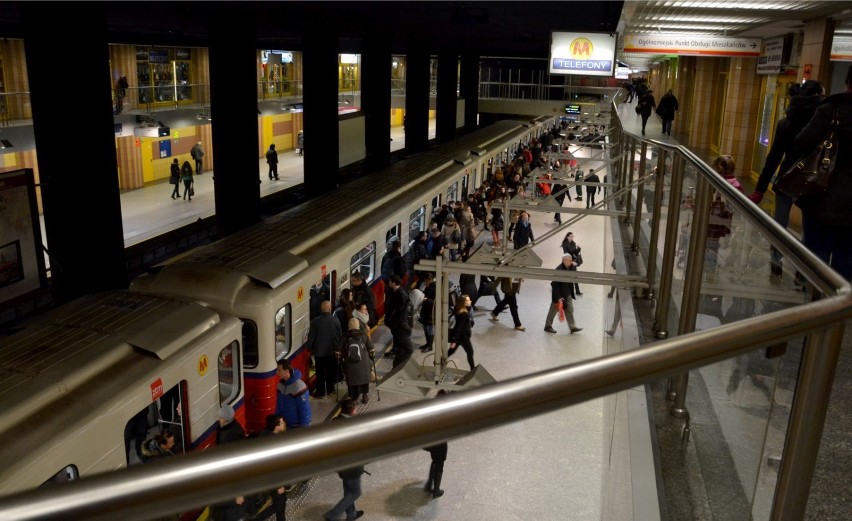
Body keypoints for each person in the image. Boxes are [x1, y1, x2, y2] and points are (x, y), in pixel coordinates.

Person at [749, 80, 825, 281]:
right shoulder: (822, 123)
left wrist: (760, 188)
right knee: (809, 228)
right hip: (812, 181)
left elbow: (773, 157)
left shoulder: (786, 124)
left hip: (787, 180)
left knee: (780, 223)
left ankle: (776, 262)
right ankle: (803, 271)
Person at [794, 63, 852, 281]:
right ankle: (837, 307)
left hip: (822, 196)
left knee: (816, 258)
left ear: (847, 81)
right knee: (846, 262)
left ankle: (815, 303)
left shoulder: (831, 109)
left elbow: (801, 142)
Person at [325, 399, 366, 521]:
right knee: (356, 492)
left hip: (340, 464)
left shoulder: (335, 422)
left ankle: (351, 514)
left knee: (348, 490)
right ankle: (332, 515)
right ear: (352, 411)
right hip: (352, 465)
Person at [308, 300, 342, 398]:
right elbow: (339, 335)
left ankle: (320, 392)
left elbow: (311, 337)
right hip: (331, 352)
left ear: (321, 309)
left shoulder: (315, 321)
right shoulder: (335, 320)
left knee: (320, 373)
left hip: (319, 353)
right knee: (330, 372)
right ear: (329, 308)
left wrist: (310, 349)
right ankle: (331, 389)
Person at [339, 318, 375, 404]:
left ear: (349, 326)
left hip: (350, 363)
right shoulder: (364, 334)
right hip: (363, 362)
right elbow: (371, 347)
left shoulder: (345, 336)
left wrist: (338, 355)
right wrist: (372, 355)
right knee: (364, 379)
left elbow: (338, 348)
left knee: (352, 379)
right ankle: (365, 396)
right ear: (358, 325)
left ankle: (354, 398)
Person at [544, 253, 582, 334]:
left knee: (570, 309)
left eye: (571, 260)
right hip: (559, 294)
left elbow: (577, 264)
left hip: (567, 293)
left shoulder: (569, 267)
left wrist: (573, 265)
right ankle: (547, 326)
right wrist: (558, 297)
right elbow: (554, 284)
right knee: (553, 310)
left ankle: (572, 327)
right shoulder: (559, 270)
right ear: (564, 260)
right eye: (570, 261)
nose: (571, 262)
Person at [259, 414, 288, 521]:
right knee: (279, 504)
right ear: (276, 427)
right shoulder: (275, 444)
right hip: (275, 480)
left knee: (280, 504)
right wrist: (279, 485)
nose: (284, 423)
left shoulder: (268, 437)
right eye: (281, 422)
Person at [422, 390, 449, 499]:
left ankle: (429, 484)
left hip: (431, 441)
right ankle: (436, 490)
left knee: (435, 461)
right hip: (439, 442)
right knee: (439, 464)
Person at [385, 274, 414, 367]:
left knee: (407, 349)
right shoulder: (394, 292)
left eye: (390, 281)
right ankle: (397, 367)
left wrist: (406, 327)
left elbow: (401, 315)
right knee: (402, 348)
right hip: (397, 326)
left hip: (400, 327)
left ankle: (399, 367)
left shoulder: (401, 295)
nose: (388, 283)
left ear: (393, 283)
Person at [275, 359, 312, 428]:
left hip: (296, 426)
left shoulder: (299, 387)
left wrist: (304, 429)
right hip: (285, 425)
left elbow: (305, 409)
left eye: (279, 370)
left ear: (287, 371)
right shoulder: (280, 385)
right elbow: (278, 405)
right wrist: (277, 421)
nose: (277, 372)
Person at [448, 294, 476, 370]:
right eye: (468, 300)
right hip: (463, 337)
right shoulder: (462, 314)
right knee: (470, 352)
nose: (470, 301)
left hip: (460, 337)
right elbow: (458, 328)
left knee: (451, 351)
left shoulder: (461, 309)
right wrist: (454, 340)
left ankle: (441, 361)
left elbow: (469, 308)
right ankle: (472, 368)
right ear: (463, 303)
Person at [418, 272, 436, 352]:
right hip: (425, 312)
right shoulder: (427, 287)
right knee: (425, 329)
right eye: (425, 280)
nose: (426, 282)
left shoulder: (434, 288)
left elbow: (435, 302)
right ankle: (427, 343)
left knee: (430, 330)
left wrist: (426, 300)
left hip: (431, 313)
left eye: (428, 280)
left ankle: (430, 346)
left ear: (431, 280)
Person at [561, 231, 583, 295]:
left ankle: (577, 291)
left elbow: (575, 253)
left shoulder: (574, 243)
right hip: (568, 262)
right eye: (571, 236)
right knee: (567, 277)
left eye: (573, 236)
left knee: (575, 276)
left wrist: (579, 249)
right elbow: (566, 254)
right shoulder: (565, 244)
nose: (572, 237)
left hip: (573, 262)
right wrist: (571, 262)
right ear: (567, 237)